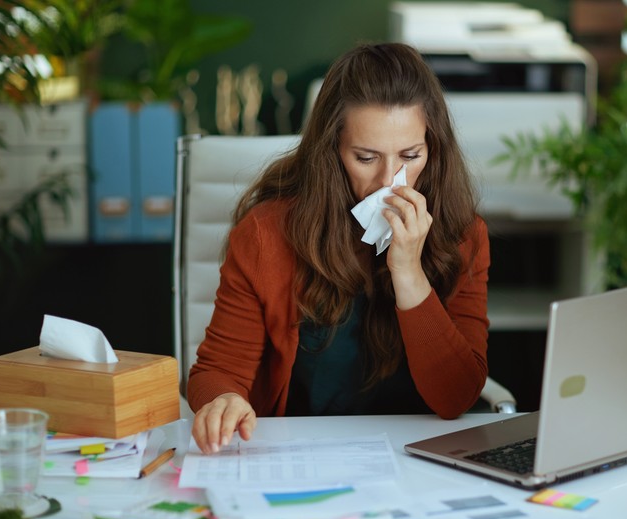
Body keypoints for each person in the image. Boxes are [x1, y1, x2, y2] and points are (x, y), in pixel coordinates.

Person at [187, 42, 490, 454]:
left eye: (409, 155)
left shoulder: (463, 234)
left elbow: (457, 398)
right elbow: (217, 371)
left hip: (418, 458)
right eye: (366, 158)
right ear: (332, 152)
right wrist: (223, 400)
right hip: (299, 452)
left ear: (432, 150)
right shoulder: (266, 235)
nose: (389, 180)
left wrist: (409, 273)